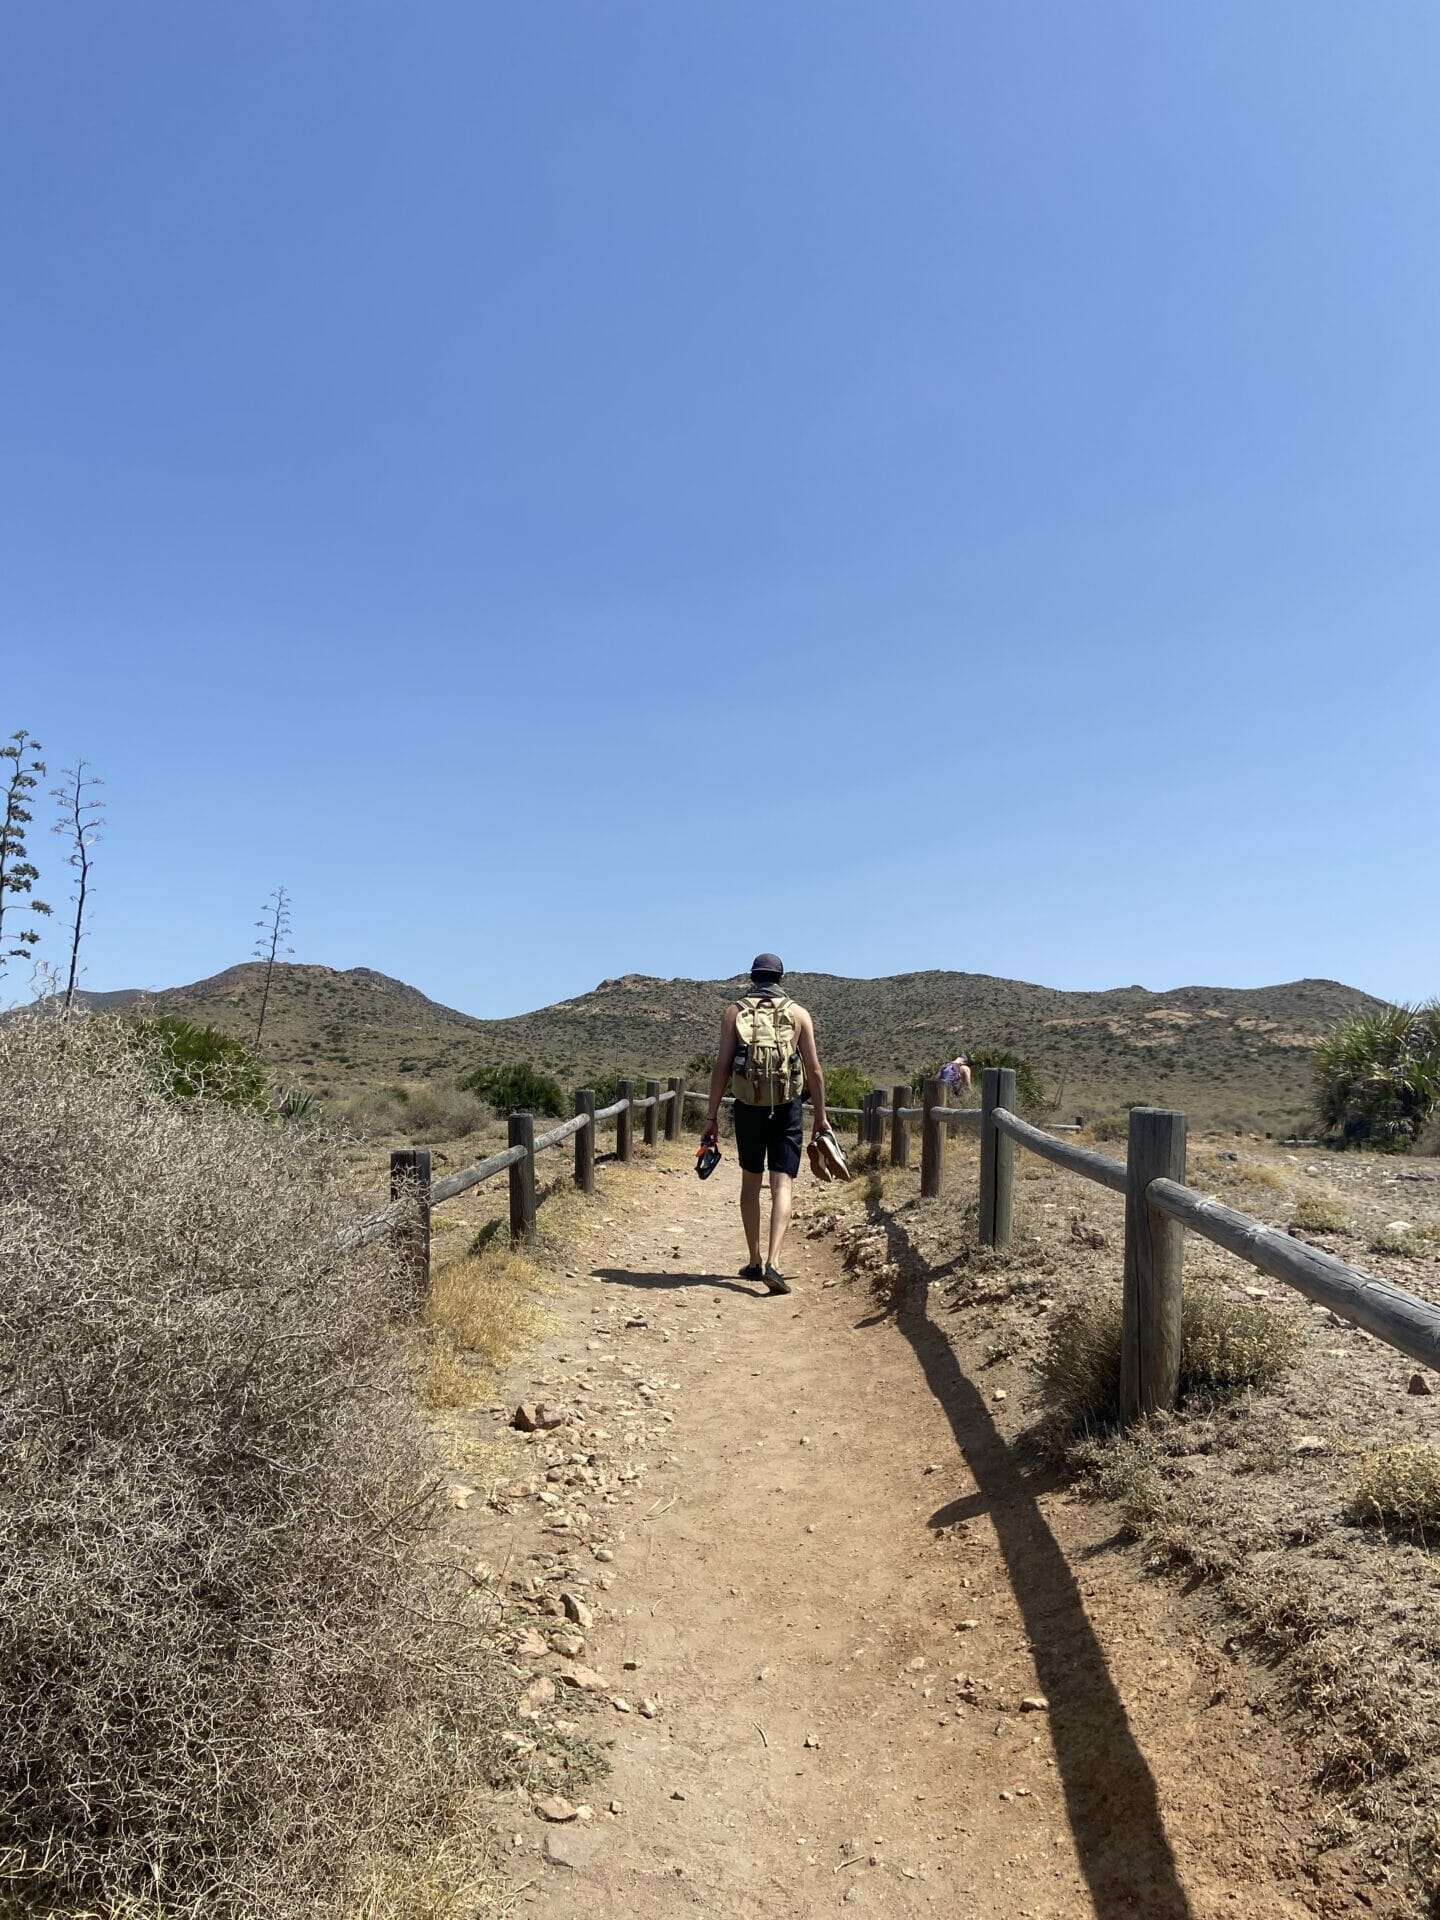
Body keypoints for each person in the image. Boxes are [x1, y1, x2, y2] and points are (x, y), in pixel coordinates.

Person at [701, 953, 828, 1296]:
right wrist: (821, 1116)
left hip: (748, 1107)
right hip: (787, 1107)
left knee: (750, 1184)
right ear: (781, 979)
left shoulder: (735, 1012)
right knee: (782, 1185)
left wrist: (711, 1118)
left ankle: (754, 1260)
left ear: (752, 977)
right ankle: (774, 1261)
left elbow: (722, 1068)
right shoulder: (798, 1014)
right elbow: (814, 1070)